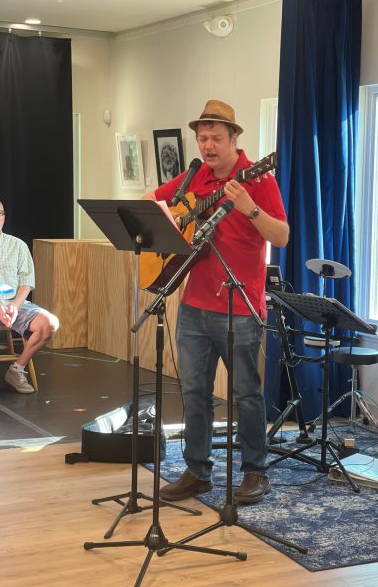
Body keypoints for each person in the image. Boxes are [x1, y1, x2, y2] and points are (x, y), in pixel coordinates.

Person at [143, 100, 289, 504]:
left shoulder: (258, 179)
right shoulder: (195, 178)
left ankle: (255, 472)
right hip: (193, 306)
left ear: (234, 138)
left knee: (246, 394)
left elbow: (281, 237)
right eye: (202, 138)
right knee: (193, 392)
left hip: (240, 306)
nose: (208, 145)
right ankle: (197, 471)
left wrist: (250, 208)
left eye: (216, 138)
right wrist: (168, 219)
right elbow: (149, 203)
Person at [0, 201, 59, 394]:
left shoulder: (17, 245)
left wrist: (15, 306)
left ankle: (16, 369)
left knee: (49, 323)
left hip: (13, 303)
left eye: (0, 213)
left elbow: (27, 281)